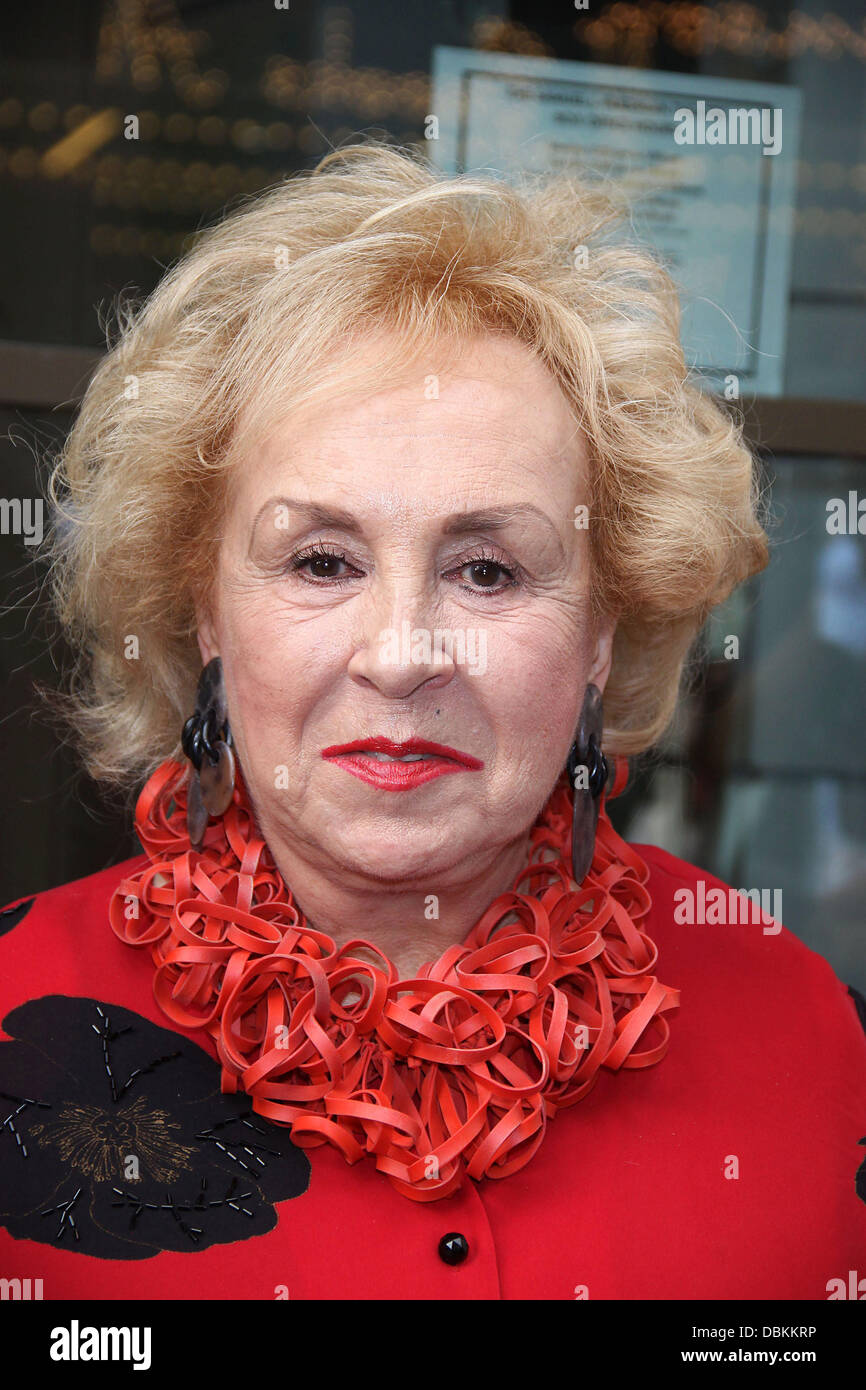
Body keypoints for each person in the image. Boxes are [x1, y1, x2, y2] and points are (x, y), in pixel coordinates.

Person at [1, 144, 863, 1300]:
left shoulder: (815, 1037)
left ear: (602, 632)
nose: (402, 654)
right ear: (203, 610)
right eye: (320, 559)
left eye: (490, 571)